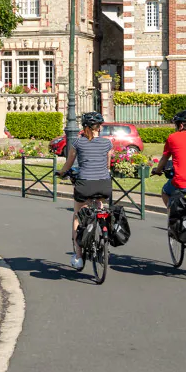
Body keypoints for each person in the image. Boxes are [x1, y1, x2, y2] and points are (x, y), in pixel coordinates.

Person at [56, 111, 112, 269]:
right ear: (99, 127)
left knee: (77, 216)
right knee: (99, 206)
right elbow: (107, 165)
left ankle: (79, 256)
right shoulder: (107, 143)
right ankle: (102, 228)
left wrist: (61, 173)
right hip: (104, 184)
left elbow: (69, 162)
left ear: (84, 127)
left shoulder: (78, 143)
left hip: (85, 185)